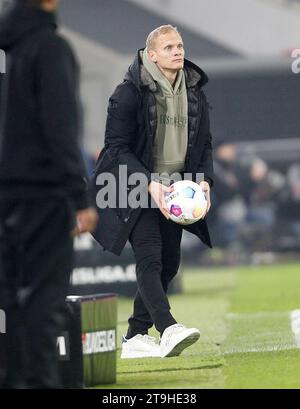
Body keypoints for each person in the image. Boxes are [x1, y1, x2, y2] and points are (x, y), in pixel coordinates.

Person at [92, 25, 213, 359]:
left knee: (169, 264)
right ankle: (168, 327)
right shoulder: (128, 92)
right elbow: (115, 147)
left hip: (175, 191)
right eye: (169, 47)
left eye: (180, 45)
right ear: (152, 54)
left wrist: (204, 181)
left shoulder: (194, 90)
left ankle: (134, 335)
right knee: (150, 256)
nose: (178, 51)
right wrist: (148, 183)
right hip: (132, 186)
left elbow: (204, 143)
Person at [0, 0, 98, 388]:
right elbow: (59, 126)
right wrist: (79, 196)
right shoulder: (49, 48)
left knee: (7, 299)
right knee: (44, 296)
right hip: (42, 192)